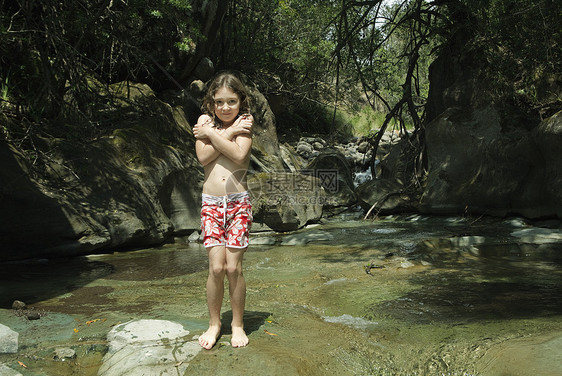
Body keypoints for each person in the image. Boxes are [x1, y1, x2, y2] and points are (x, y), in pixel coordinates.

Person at [192, 72, 254, 349]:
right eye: (220, 102)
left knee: (233, 267)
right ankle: (215, 323)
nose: (226, 107)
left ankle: (237, 324)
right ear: (211, 102)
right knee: (216, 267)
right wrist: (226, 133)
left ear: (241, 101)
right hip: (211, 203)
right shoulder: (204, 122)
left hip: (238, 202)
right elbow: (203, 157)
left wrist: (214, 136)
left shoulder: (246, 123)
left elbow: (239, 155)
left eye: (232, 101)